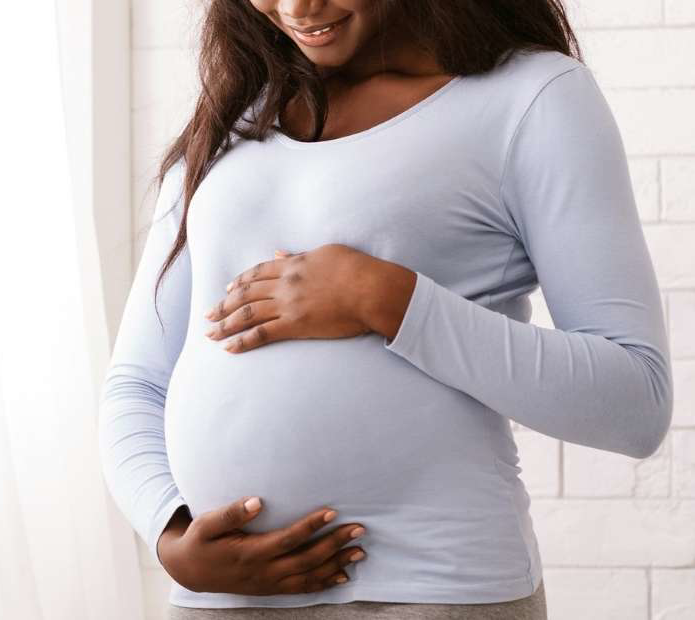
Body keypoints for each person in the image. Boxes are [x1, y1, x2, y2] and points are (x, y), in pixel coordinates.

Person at [96, 1, 673, 618]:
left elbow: (635, 403)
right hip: (223, 599)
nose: (297, 7)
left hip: (435, 589)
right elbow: (137, 381)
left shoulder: (531, 97)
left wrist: (385, 298)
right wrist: (169, 532)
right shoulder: (231, 120)